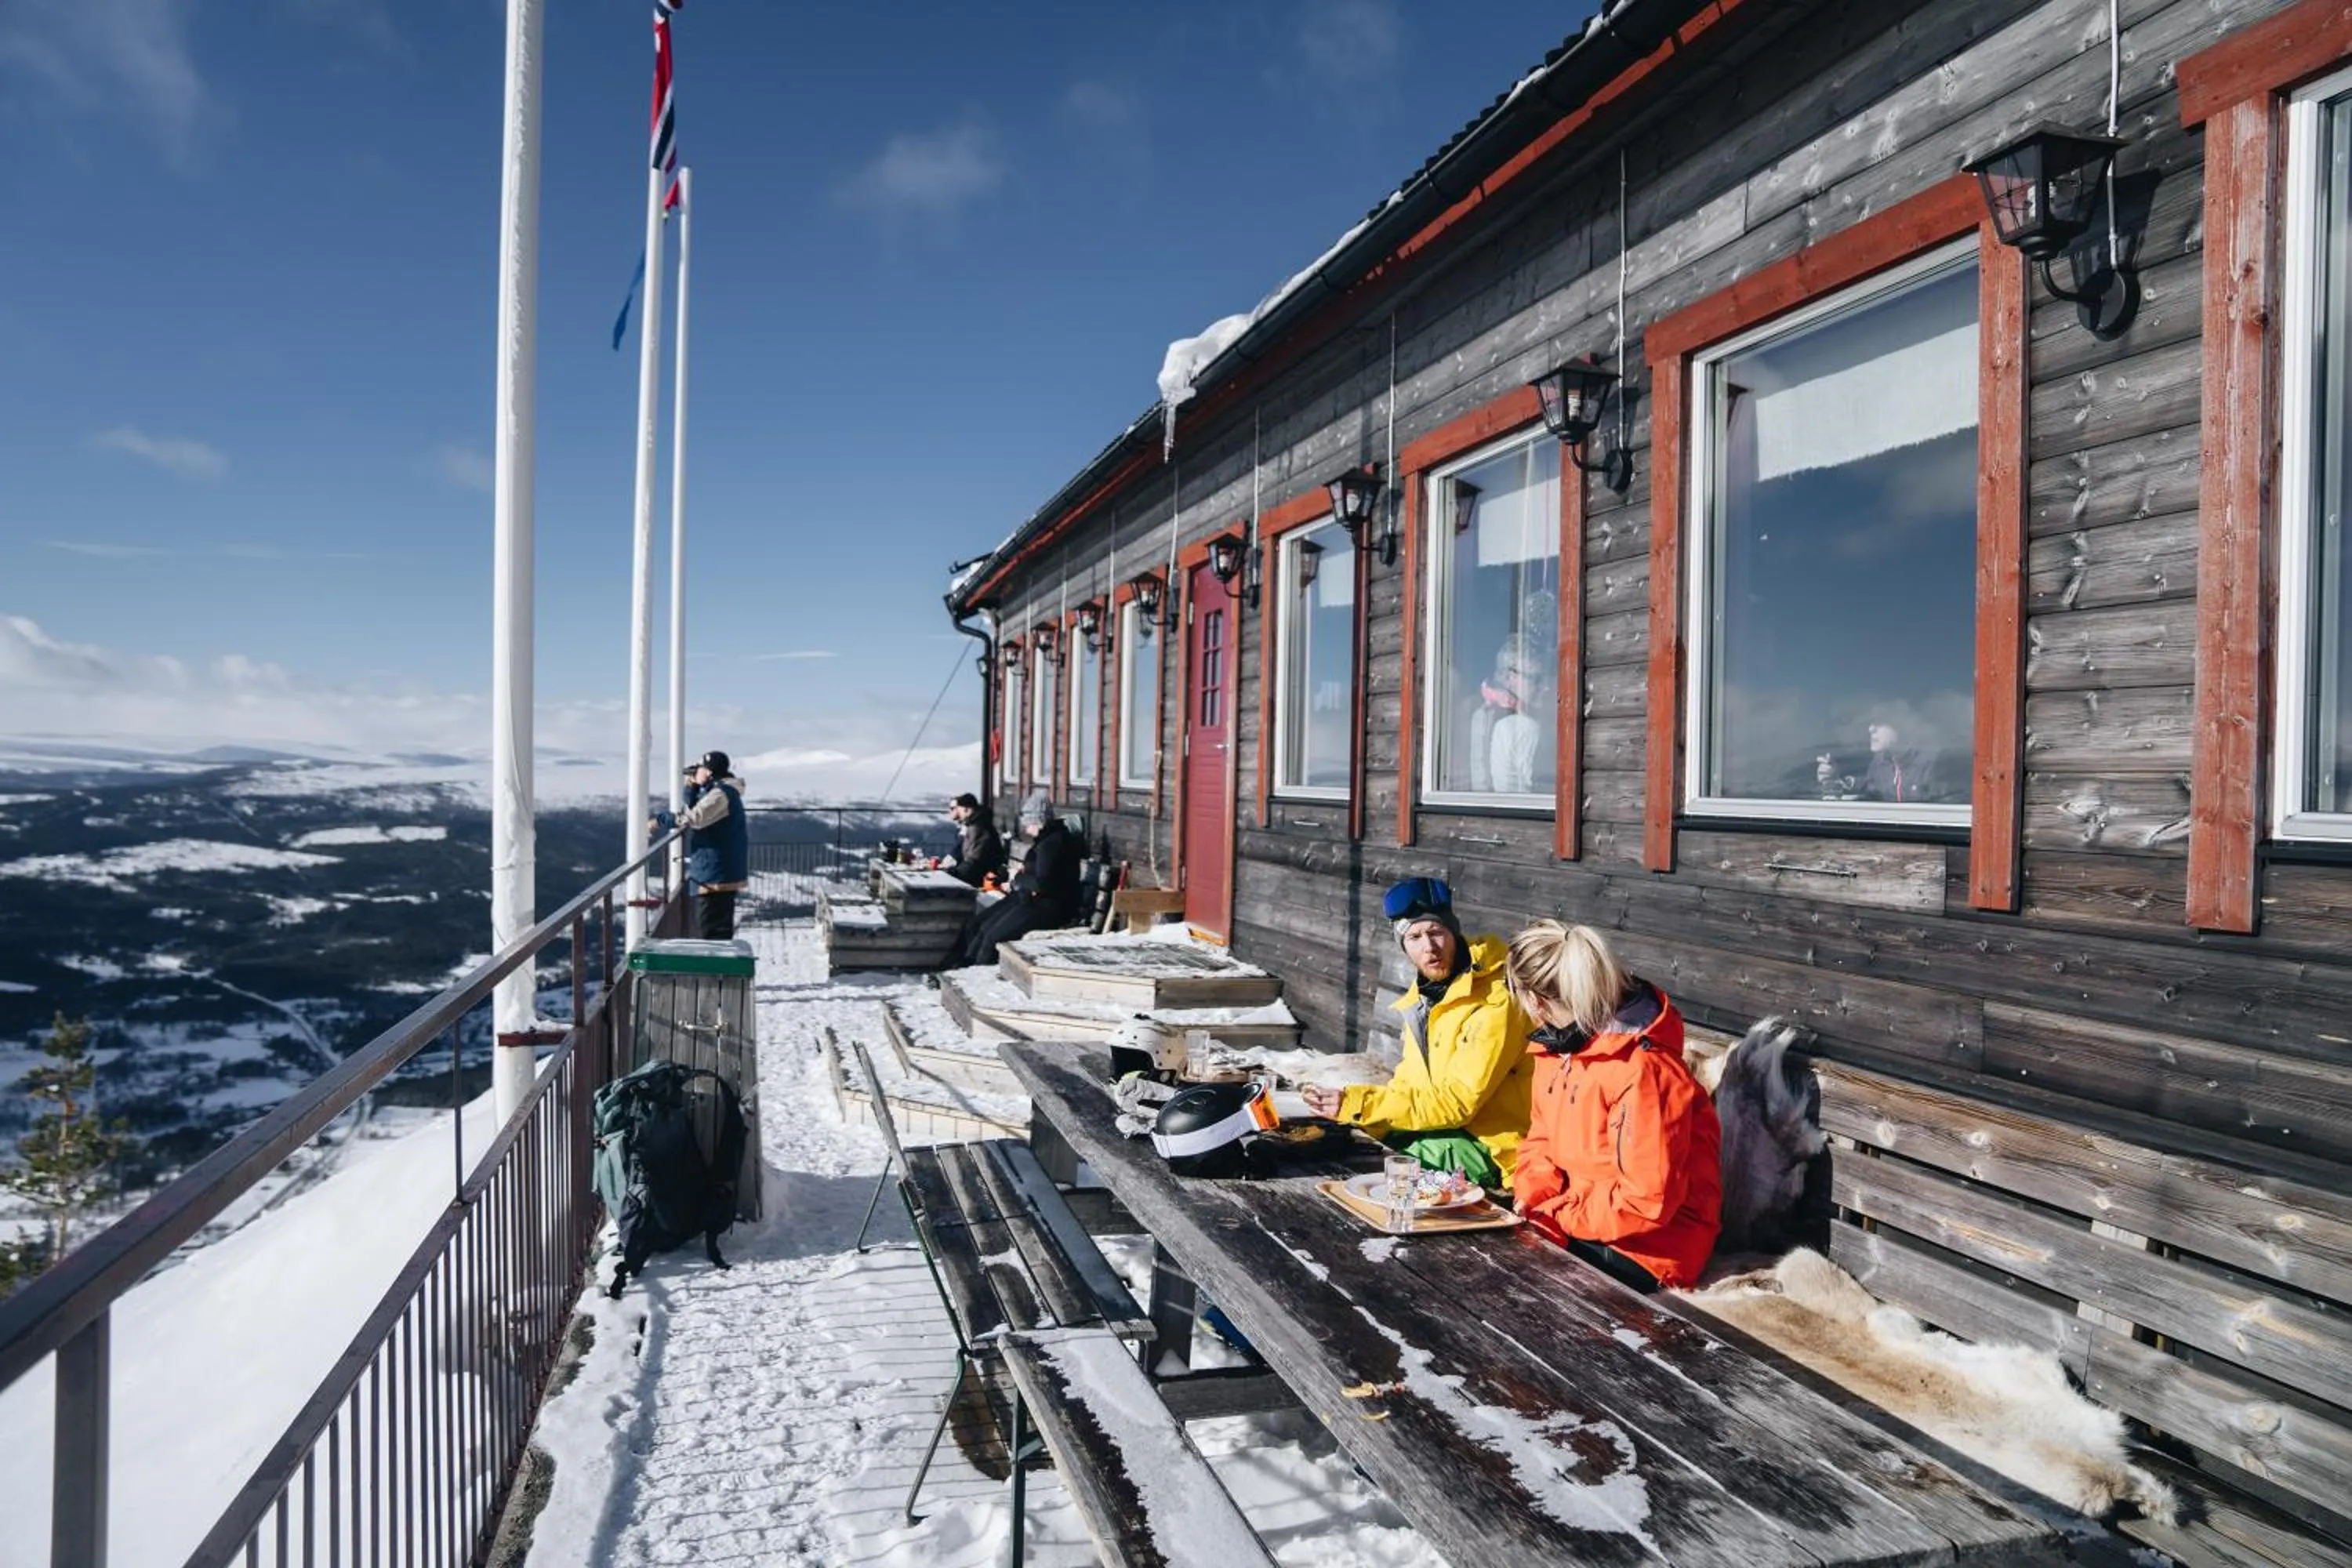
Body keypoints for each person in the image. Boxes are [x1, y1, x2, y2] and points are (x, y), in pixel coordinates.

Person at [1504, 920, 1721, 1292]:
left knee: (1523, 1289)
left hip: (1652, 1249)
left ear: (1534, 1000)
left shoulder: (1643, 1068)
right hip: (1585, 1220)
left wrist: (1558, 1212)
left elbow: (1648, 1200)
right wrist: (1532, 1195)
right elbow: (1541, 1139)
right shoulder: (1558, 1048)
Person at [1299, 877, 1532, 1188]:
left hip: (1495, 1147)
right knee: (1345, 1146)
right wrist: (1355, 1113)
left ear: (1454, 932)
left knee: (1384, 1171)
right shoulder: (1427, 997)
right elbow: (1409, 1084)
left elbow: (1458, 1103)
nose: (1429, 948)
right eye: (1415, 937)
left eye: (1437, 932)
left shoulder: (1497, 999)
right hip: (1443, 1129)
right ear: (1403, 946)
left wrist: (1361, 1105)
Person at [942, 791, 1083, 969]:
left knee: (992, 937)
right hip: (1028, 898)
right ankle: (961, 965)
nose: (1025, 828)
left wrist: (1018, 878)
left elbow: (1044, 884)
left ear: (1038, 820)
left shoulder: (1052, 844)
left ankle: (975, 971)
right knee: (977, 925)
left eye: (1028, 822)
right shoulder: (1047, 840)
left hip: (1045, 905)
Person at [650, 750, 749, 941]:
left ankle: (719, 969)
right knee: (711, 926)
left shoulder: (721, 794)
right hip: (715, 871)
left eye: (701, 768)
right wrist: (692, 786)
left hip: (717, 874)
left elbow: (694, 818)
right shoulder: (720, 791)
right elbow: (696, 808)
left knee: (713, 931)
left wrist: (661, 820)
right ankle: (719, 968)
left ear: (710, 772)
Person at [1816, 720, 1937, 804]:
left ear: (1903, 726)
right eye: (1871, 722)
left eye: (1881, 722)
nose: (1871, 729)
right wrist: (1834, 778)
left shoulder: (1931, 763)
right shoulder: (1879, 762)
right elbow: (1871, 786)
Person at [943, 793, 1007, 888]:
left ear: (966, 810)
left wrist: (955, 873)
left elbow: (974, 860)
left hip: (984, 879)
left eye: (958, 810)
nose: (958, 814)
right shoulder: (976, 825)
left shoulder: (978, 828)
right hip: (980, 875)